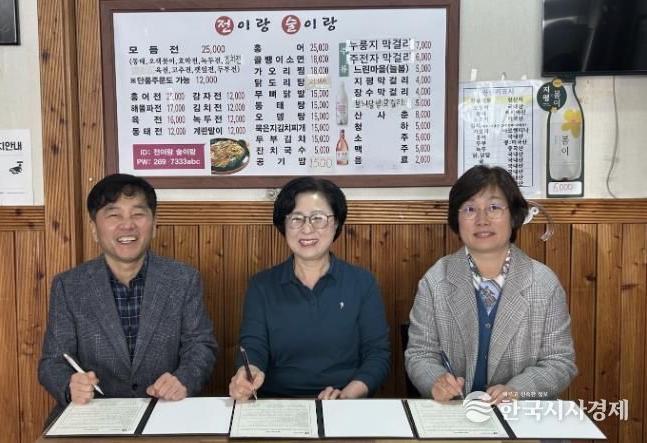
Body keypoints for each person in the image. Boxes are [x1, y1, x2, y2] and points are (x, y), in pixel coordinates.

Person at [39, 173, 218, 423]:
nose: (127, 225)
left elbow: (200, 346)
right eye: (114, 215)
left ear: (154, 224)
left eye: (137, 214)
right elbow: (53, 362)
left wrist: (184, 379)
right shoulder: (69, 286)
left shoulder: (183, 279)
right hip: (93, 417)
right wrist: (70, 386)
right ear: (94, 229)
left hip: (163, 412)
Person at [405, 165, 577, 403]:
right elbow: (419, 354)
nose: (482, 219)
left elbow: (559, 362)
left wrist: (518, 389)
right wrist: (436, 381)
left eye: (494, 207)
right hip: (456, 412)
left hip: (520, 413)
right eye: (469, 209)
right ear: (457, 219)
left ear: (514, 216)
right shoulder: (436, 280)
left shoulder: (543, 283)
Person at [229, 176, 390, 400]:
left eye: (318, 218)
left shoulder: (362, 282)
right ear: (284, 225)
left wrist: (348, 394)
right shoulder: (261, 285)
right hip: (277, 403)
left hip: (344, 403)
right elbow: (253, 347)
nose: (307, 229)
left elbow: (377, 354)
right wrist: (249, 373)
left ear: (336, 223)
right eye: (296, 219)